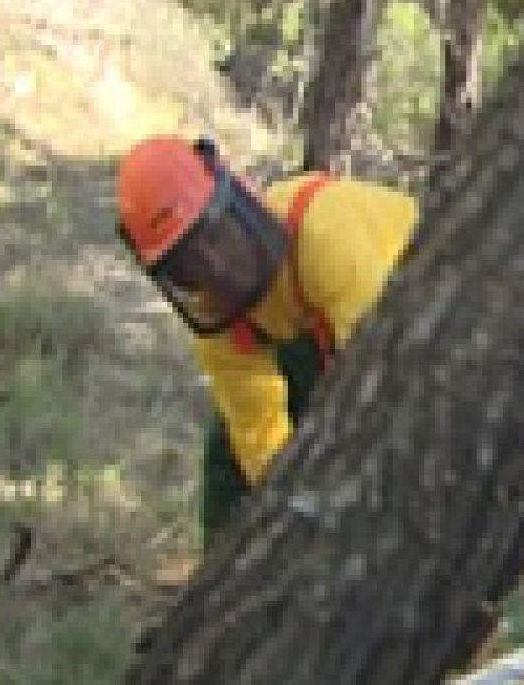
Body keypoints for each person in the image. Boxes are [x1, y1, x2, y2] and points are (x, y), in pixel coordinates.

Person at [115, 134, 417, 547]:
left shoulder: (326, 237)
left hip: (409, 331)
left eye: (215, 238)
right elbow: (262, 444)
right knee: (229, 452)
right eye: (190, 266)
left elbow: (382, 389)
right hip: (325, 339)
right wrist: (289, 515)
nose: (216, 268)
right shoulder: (221, 323)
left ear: (238, 203)